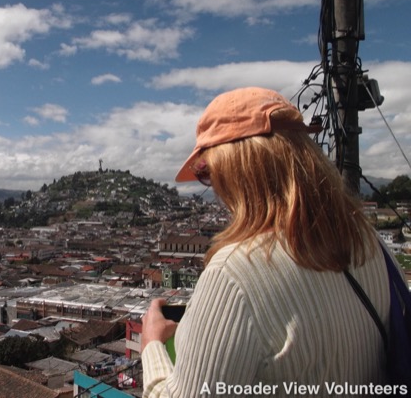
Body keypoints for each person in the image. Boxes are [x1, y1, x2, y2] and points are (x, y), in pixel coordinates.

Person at [141, 87, 390, 397]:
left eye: (207, 173)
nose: (213, 188)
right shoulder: (372, 244)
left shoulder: (232, 274)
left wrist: (151, 346)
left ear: (233, 170)